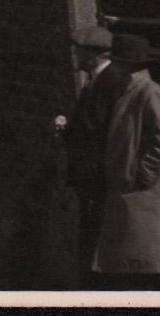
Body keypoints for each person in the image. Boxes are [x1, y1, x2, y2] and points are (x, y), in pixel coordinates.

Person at [92, 34, 160, 289]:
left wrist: (140, 174)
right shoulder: (129, 91)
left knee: (147, 267)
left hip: (148, 197)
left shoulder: (150, 93)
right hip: (136, 195)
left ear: (124, 64)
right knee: (133, 265)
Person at [59, 26, 121, 287]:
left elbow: (103, 130)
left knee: (95, 234)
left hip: (98, 178)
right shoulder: (96, 80)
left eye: (79, 51)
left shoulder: (110, 82)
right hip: (89, 177)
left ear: (93, 55)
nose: (75, 55)